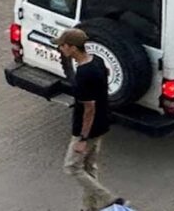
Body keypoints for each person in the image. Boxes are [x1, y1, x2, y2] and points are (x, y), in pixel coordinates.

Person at [57, 28, 124, 211]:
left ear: (72, 48)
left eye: (63, 45)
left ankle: (108, 198)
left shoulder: (83, 74)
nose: (61, 49)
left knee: (71, 167)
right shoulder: (97, 60)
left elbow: (89, 109)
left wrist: (82, 138)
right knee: (89, 167)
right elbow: (105, 77)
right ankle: (89, 207)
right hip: (102, 122)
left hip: (87, 129)